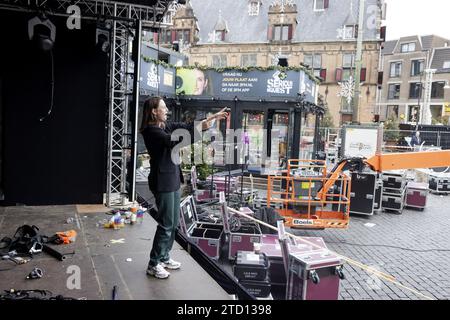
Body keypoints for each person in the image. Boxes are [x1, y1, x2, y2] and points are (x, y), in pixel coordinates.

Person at [140, 96, 229, 279]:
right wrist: (200, 130)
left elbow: (186, 127)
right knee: (165, 224)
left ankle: (164, 257)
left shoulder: (165, 125)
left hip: (172, 179)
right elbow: (175, 141)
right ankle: (154, 263)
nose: (167, 110)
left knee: (172, 224)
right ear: (154, 111)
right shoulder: (151, 131)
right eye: (163, 108)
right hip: (162, 182)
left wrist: (209, 121)